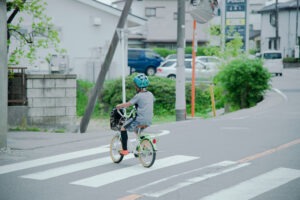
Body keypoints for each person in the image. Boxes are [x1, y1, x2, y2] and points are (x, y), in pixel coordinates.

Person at [116, 74, 154, 155]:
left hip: (139, 120)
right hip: (149, 120)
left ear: (137, 86)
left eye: (135, 85)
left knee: (123, 128)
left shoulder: (138, 96)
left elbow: (128, 104)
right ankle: (144, 147)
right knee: (137, 131)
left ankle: (125, 150)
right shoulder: (150, 94)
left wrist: (119, 106)